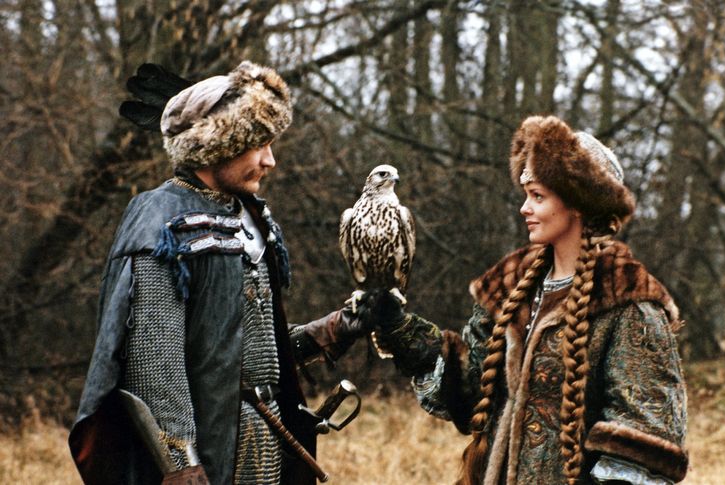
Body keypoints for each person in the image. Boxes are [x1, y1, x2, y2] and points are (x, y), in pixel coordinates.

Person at [69, 61, 368, 485]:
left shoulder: (249, 219)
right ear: (218, 145)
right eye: (259, 145)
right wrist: (181, 464)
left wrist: (333, 329)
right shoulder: (162, 223)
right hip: (207, 452)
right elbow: (155, 362)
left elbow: (241, 355)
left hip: (263, 437)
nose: (270, 160)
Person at [366, 116, 688, 484]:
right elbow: (469, 396)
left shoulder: (628, 302)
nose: (524, 208)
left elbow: (644, 442)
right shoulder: (510, 288)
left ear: (578, 203)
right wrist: (405, 334)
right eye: (526, 195)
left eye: (538, 196)